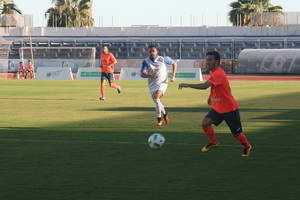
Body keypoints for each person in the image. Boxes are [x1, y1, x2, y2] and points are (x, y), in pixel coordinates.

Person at [178, 51, 252, 157]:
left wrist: (188, 85)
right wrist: (211, 97)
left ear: (217, 62)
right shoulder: (213, 72)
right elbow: (215, 86)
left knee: (237, 134)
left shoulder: (218, 73)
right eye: (207, 59)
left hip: (230, 109)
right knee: (205, 122)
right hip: (218, 108)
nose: (207, 62)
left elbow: (205, 86)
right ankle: (214, 142)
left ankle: (247, 146)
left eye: (210, 60)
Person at [141, 45, 177, 126]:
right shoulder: (146, 61)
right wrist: (149, 75)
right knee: (157, 102)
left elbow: (174, 63)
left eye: (153, 51)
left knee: (157, 97)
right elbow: (142, 74)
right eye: (150, 51)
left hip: (163, 83)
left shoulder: (163, 59)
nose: (152, 53)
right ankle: (165, 114)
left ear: (157, 52)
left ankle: (159, 120)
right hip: (152, 84)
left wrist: (173, 75)